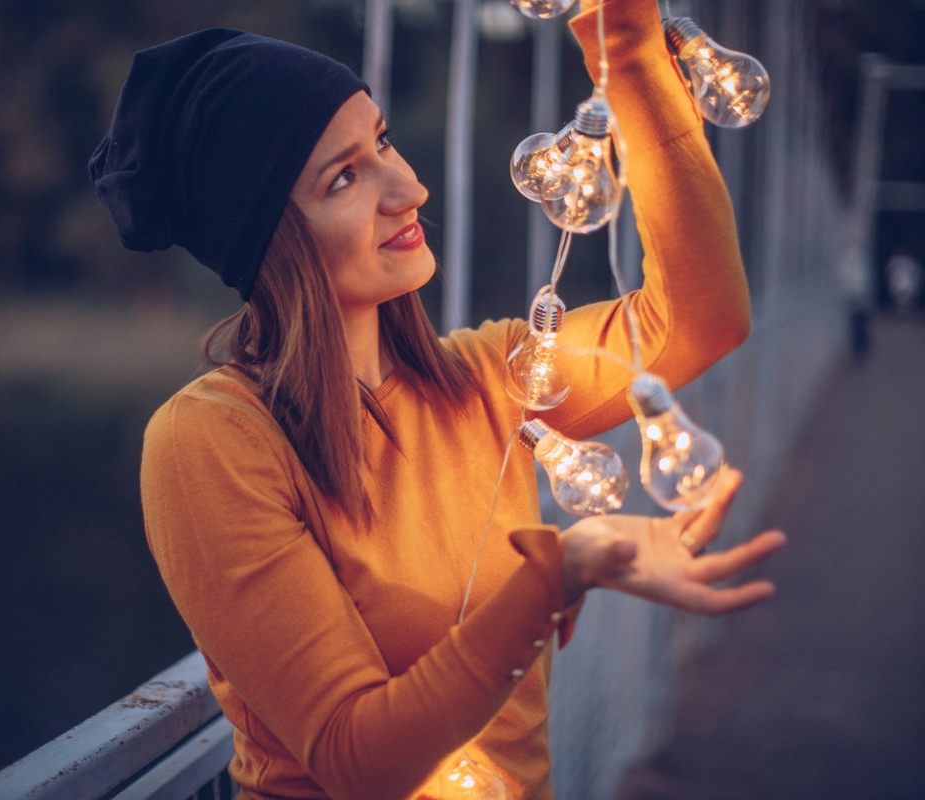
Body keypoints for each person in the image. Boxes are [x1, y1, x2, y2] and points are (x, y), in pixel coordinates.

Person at [89, 0, 786, 797]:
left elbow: (702, 318)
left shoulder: (488, 380)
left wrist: (622, 43)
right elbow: (360, 760)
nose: (409, 187)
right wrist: (554, 577)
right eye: (345, 177)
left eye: (382, 140)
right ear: (268, 241)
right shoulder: (211, 443)